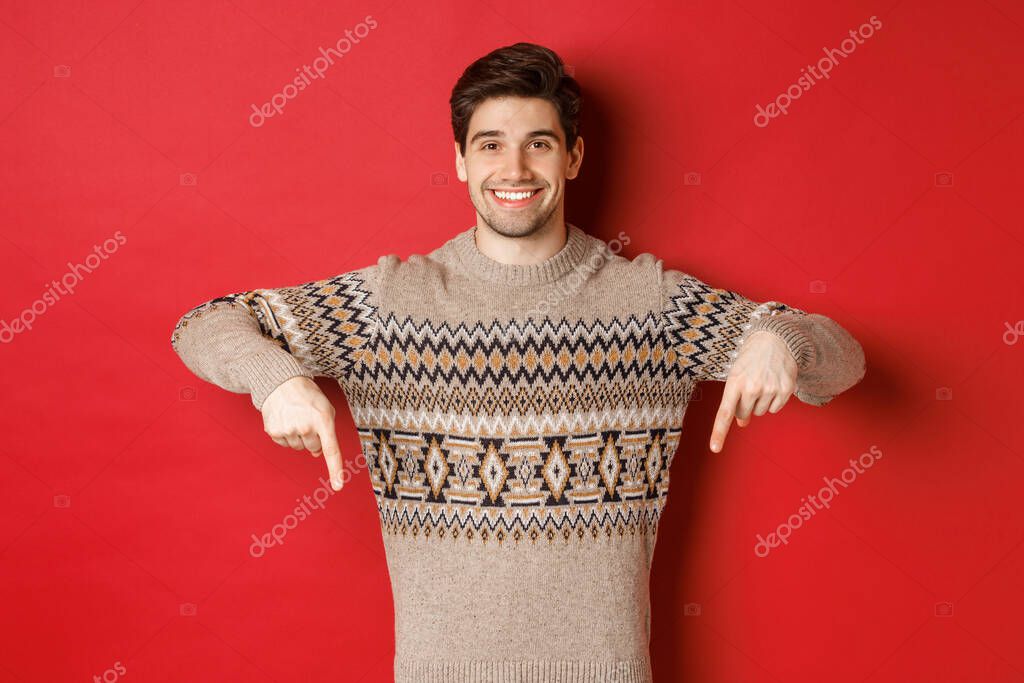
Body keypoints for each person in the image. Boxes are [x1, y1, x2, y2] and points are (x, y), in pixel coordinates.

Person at [171, 41, 865, 683]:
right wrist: (277, 379)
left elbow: (847, 361)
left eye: (539, 144)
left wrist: (782, 338)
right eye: (491, 145)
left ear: (574, 157)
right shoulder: (392, 300)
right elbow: (202, 324)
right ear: (460, 161)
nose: (514, 169)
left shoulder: (648, 300)